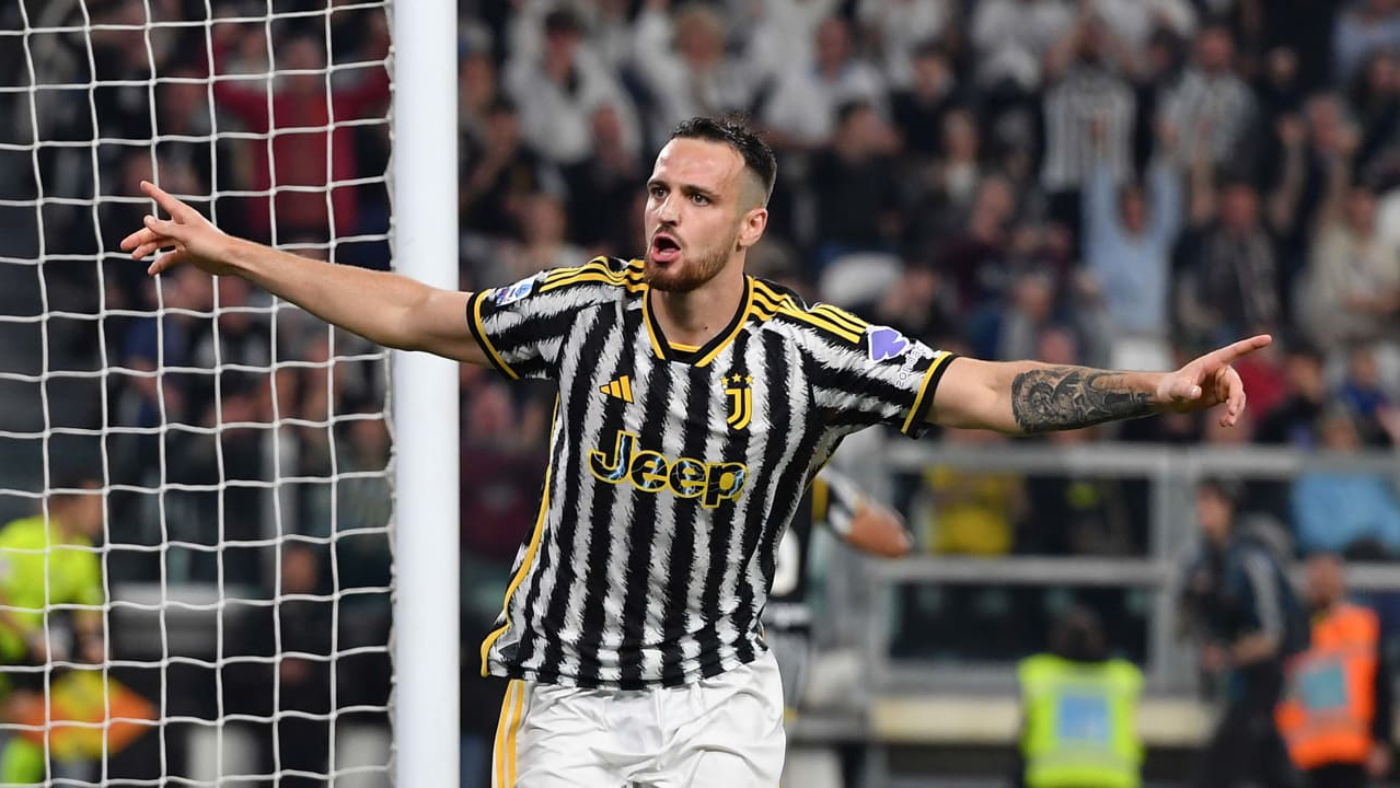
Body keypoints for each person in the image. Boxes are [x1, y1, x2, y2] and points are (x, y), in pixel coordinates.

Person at [121, 114, 1268, 787]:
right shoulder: (583, 307)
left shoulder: (809, 350)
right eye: (657, 188)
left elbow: (982, 387)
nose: (664, 211)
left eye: (696, 197)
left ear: (748, 225)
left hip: (718, 691)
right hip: (568, 691)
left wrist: (1154, 388)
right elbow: (421, 311)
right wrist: (239, 256)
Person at [765, 467, 909, 788]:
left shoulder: (721, 463)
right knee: (764, 758)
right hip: (783, 640)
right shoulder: (812, 476)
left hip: (731, 631)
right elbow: (896, 540)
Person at [1179, 478, 1309, 788]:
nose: (1204, 510)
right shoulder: (1203, 562)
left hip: (1265, 679)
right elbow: (1185, 626)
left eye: (1212, 502)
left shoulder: (1252, 560)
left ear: (1230, 508)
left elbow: (1271, 636)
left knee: (1220, 767)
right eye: (1201, 501)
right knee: (1270, 763)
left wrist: (1226, 655)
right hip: (1238, 682)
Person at [0, 476, 106, 783]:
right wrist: (30, 637)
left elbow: (89, 605)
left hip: (50, 666)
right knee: (20, 731)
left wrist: (93, 641)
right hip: (11, 658)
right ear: (68, 505)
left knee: (73, 734)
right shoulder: (21, 538)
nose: (102, 514)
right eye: (95, 504)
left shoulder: (83, 552)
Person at [1277, 554, 1393, 788]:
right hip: (1302, 754)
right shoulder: (1292, 630)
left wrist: (1381, 740)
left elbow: (1381, 689)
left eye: (1329, 577)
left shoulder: (1363, 625)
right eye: (1317, 578)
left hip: (1350, 751)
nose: (1323, 585)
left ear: (1341, 582)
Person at [1015, 607, 1144, 788]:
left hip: (1050, 779)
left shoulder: (1039, 674)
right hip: (1113, 780)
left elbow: (1023, 734)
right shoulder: (1123, 677)